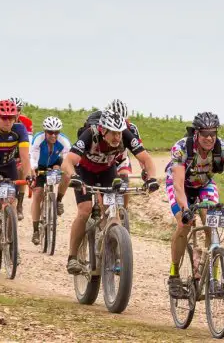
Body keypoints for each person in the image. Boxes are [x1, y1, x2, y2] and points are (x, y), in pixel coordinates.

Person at [165, 111, 224, 298]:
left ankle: (212, 277)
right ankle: (174, 275)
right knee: (184, 224)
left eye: (213, 133)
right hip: (181, 185)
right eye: (205, 133)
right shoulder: (181, 148)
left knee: (212, 222)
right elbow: (178, 185)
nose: (209, 137)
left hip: (205, 184)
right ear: (196, 133)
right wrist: (185, 210)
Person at [62, 109, 159, 274]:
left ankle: (117, 254)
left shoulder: (125, 135)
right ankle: (72, 257)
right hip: (85, 172)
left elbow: (146, 158)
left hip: (107, 171)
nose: (117, 137)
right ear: (102, 130)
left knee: (113, 212)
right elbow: (68, 162)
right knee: (84, 211)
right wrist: (74, 177)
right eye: (113, 133)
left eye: (119, 133)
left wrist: (151, 178)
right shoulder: (90, 135)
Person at [0, 99, 34, 238]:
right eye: (4, 118)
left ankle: (11, 244)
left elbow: (24, 157)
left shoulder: (20, 129)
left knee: (12, 204)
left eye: (11, 118)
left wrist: (28, 176)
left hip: (9, 165)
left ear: (16, 118)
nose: (8, 121)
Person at [29, 116, 71, 245]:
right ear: (45, 131)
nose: (53, 135)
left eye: (56, 132)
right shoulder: (38, 139)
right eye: (50, 132)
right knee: (38, 193)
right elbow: (33, 159)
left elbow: (67, 160)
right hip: (39, 165)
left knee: (67, 174)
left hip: (54, 162)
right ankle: (36, 230)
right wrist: (33, 172)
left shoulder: (64, 141)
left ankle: (58, 200)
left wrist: (66, 171)